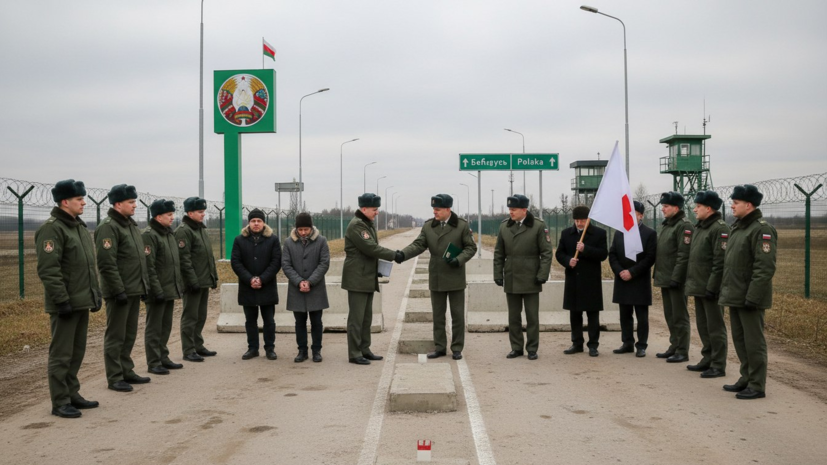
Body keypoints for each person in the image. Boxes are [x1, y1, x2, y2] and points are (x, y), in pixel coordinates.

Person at [35, 179, 102, 418]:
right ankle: (60, 401)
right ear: (65, 201)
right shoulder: (53, 229)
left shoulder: (79, 228)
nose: (84, 202)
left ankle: (72, 393)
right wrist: (61, 300)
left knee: (77, 351)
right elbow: (49, 270)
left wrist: (95, 295)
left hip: (81, 300)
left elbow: (86, 266)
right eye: (79, 199)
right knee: (61, 354)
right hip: (65, 303)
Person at [398, 194, 477, 360]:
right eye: (433, 209)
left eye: (438, 209)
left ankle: (456, 348)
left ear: (448, 209)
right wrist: (402, 254)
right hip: (437, 275)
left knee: (457, 315)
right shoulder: (428, 226)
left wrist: (459, 260)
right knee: (438, 315)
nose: (435, 212)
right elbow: (419, 245)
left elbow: (471, 248)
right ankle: (440, 347)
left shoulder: (461, 226)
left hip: (455, 275)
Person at [719, 185, 776, 400]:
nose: (732, 205)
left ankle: (757, 384)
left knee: (754, 342)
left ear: (748, 205)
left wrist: (752, 296)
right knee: (740, 340)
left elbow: (764, 268)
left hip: (749, 298)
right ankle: (746, 377)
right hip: (735, 295)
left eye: (736, 202)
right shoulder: (738, 228)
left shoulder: (761, 230)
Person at [95, 184, 150, 392]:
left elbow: (137, 260)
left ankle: (126, 370)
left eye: (135, 201)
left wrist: (142, 285)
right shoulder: (109, 227)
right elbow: (107, 263)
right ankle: (115, 376)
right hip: (120, 292)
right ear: (118, 204)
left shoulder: (130, 226)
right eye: (131, 202)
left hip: (134, 289)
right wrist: (118, 290)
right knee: (116, 335)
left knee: (129, 333)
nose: (135, 206)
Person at [493, 194, 553, 360]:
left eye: (514, 209)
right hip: (511, 275)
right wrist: (498, 274)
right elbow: (499, 252)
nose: (511, 212)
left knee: (532, 316)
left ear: (524, 210)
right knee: (513, 316)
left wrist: (542, 274)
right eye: (510, 209)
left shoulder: (538, 226)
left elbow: (547, 252)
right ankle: (516, 347)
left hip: (531, 276)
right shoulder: (504, 226)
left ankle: (532, 348)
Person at [342, 193, 398, 365]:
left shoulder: (367, 224)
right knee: (356, 319)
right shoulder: (357, 225)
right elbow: (371, 248)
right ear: (363, 209)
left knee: (366, 318)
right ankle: (354, 353)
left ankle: (365, 349)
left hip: (366, 276)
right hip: (357, 278)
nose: (377, 212)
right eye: (374, 209)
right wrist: (395, 255)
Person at [685, 191, 730, 378]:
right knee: (703, 325)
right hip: (699, 286)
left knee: (715, 327)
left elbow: (719, 262)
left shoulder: (719, 229)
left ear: (709, 208)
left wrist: (713, 287)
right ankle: (707, 358)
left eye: (698, 206)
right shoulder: (701, 228)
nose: (694, 209)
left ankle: (718, 364)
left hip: (711, 288)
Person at [555, 205, 608, 357]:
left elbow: (603, 254)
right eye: (577, 220)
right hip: (573, 280)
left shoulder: (599, 233)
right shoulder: (566, 234)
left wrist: (586, 249)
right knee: (575, 314)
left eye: (583, 220)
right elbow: (559, 253)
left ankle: (593, 345)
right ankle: (577, 343)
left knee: (592, 315)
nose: (579, 223)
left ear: (588, 220)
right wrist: (567, 261)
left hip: (591, 280)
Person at [230, 208, 281, 361]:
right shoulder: (240, 240)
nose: (256, 224)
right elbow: (236, 262)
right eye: (253, 221)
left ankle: (270, 348)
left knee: (269, 321)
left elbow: (276, 262)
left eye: (259, 221)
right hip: (247, 287)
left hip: (267, 286)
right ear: (249, 223)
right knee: (250, 320)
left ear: (264, 223)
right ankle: (252, 348)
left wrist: (262, 279)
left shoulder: (272, 239)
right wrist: (250, 279)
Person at [142, 199, 185, 375]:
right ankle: (153, 362)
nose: (172, 218)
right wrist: (156, 289)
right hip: (157, 290)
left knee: (165, 325)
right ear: (158, 216)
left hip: (168, 288)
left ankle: (163, 357)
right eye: (169, 215)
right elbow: (149, 266)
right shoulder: (149, 235)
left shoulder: (168, 234)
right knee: (154, 327)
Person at [609, 201, 657, 358]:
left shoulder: (649, 233)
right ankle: (627, 342)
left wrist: (632, 272)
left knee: (641, 316)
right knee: (625, 314)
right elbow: (613, 254)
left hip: (639, 279)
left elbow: (650, 257)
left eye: (633, 213)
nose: (629, 216)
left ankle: (641, 345)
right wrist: (620, 271)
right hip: (622, 278)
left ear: (640, 215)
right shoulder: (619, 232)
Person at [282, 213, 330, 363]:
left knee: (316, 322)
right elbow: (286, 265)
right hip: (297, 289)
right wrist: (299, 281)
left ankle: (317, 350)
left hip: (315, 288)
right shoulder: (289, 243)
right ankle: (302, 350)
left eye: (306, 229)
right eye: (300, 229)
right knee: (299, 322)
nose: (303, 232)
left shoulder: (321, 241)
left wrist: (310, 281)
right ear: (296, 229)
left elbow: (324, 263)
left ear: (311, 228)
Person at [175, 196, 219, 362]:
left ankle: (198, 345)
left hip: (203, 281)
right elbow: (184, 259)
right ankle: (188, 349)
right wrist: (192, 280)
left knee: (201, 315)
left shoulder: (200, 229)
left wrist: (212, 276)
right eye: (200, 212)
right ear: (190, 212)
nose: (203, 215)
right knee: (190, 316)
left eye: (203, 212)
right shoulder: (184, 231)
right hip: (193, 283)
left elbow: (206, 256)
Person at [653, 191, 694, 363]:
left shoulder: (684, 226)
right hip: (666, 277)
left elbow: (683, 256)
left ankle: (682, 350)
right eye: (662, 206)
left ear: (676, 208)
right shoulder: (668, 225)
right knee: (670, 315)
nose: (663, 209)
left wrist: (676, 279)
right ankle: (674, 345)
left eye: (666, 206)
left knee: (679, 316)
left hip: (676, 280)